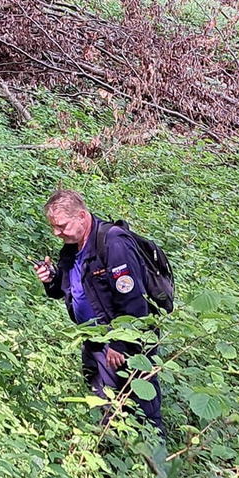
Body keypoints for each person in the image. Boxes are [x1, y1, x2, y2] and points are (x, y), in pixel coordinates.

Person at [32, 189, 165, 441]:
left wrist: (119, 344)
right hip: (94, 340)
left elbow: (133, 301)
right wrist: (50, 278)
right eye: (53, 227)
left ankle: (156, 466)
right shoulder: (71, 247)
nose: (56, 233)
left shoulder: (113, 244)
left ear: (81, 216)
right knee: (102, 405)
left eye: (61, 226)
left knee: (142, 406)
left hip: (126, 342)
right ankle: (112, 460)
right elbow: (65, 288)